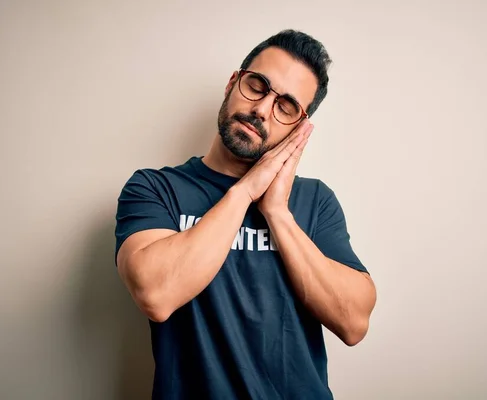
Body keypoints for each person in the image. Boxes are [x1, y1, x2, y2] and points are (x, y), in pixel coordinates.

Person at [114, 29, 377, 399]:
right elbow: (155, 294)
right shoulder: (155, 189)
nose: (261, 109)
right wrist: (245, 192)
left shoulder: (315, 201)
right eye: (257, 86)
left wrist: (278, 214)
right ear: (233, 83)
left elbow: (353, 322)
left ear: (298, 127)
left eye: (285, 106)